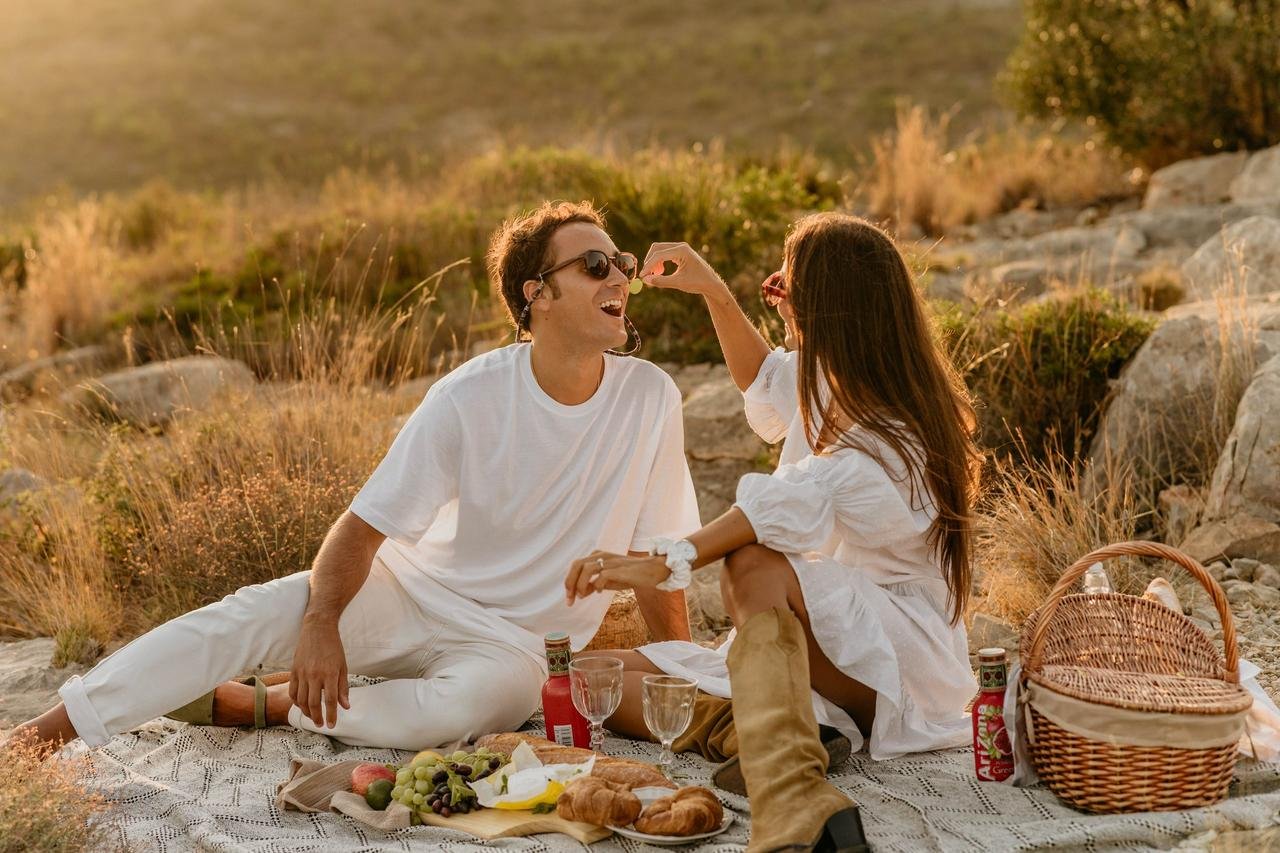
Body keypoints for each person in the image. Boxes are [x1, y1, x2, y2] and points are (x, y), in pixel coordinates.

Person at [10, 200, 700, 755]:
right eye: (594, 263)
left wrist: (683, 659)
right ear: (537, 295)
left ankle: (271, 702)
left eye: (622, 263)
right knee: (243, 617)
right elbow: (365, 525)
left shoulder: (650, 399)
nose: (619, 277)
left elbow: (662, 553)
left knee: (452, 714)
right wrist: (320, 621)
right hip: (410, 591)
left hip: (518, 646)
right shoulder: (470, 395)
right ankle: (36, 738)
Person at [565, 214, 980, 851]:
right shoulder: (835, 377)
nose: (776, 285)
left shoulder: (891, 440)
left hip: (896, 664)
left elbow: (770, 515)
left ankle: (793, 796)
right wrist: (714, 291)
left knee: (751, 562)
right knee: (596, 676)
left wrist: (663, 560)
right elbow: (763, 379)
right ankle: (773, 734)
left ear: (828, 304)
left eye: (790, 277)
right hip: (819, 644)